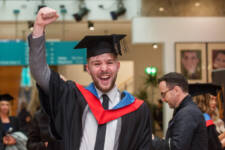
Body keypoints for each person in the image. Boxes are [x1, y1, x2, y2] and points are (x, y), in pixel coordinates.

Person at [28, 7, 152, 150]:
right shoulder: (72, 97)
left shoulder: (136, 109)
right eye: (97, 63)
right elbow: (39, 73)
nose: (104, 68)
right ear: (87, 68)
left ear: (118, 66)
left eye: (109, 62)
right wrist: (38, 27)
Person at [152, 72, 208, 150]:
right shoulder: (186, 110)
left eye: (163, 94)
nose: (163, 99)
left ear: (176, 90)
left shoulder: (187, 113)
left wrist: (153, 140)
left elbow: (177, 147)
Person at [189, 83, 223, 150]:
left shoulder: (188, 115)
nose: (214, 103)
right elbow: (214, 146)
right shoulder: (205, 118)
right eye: (210, 99)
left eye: (215, 100)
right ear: (203, 100)